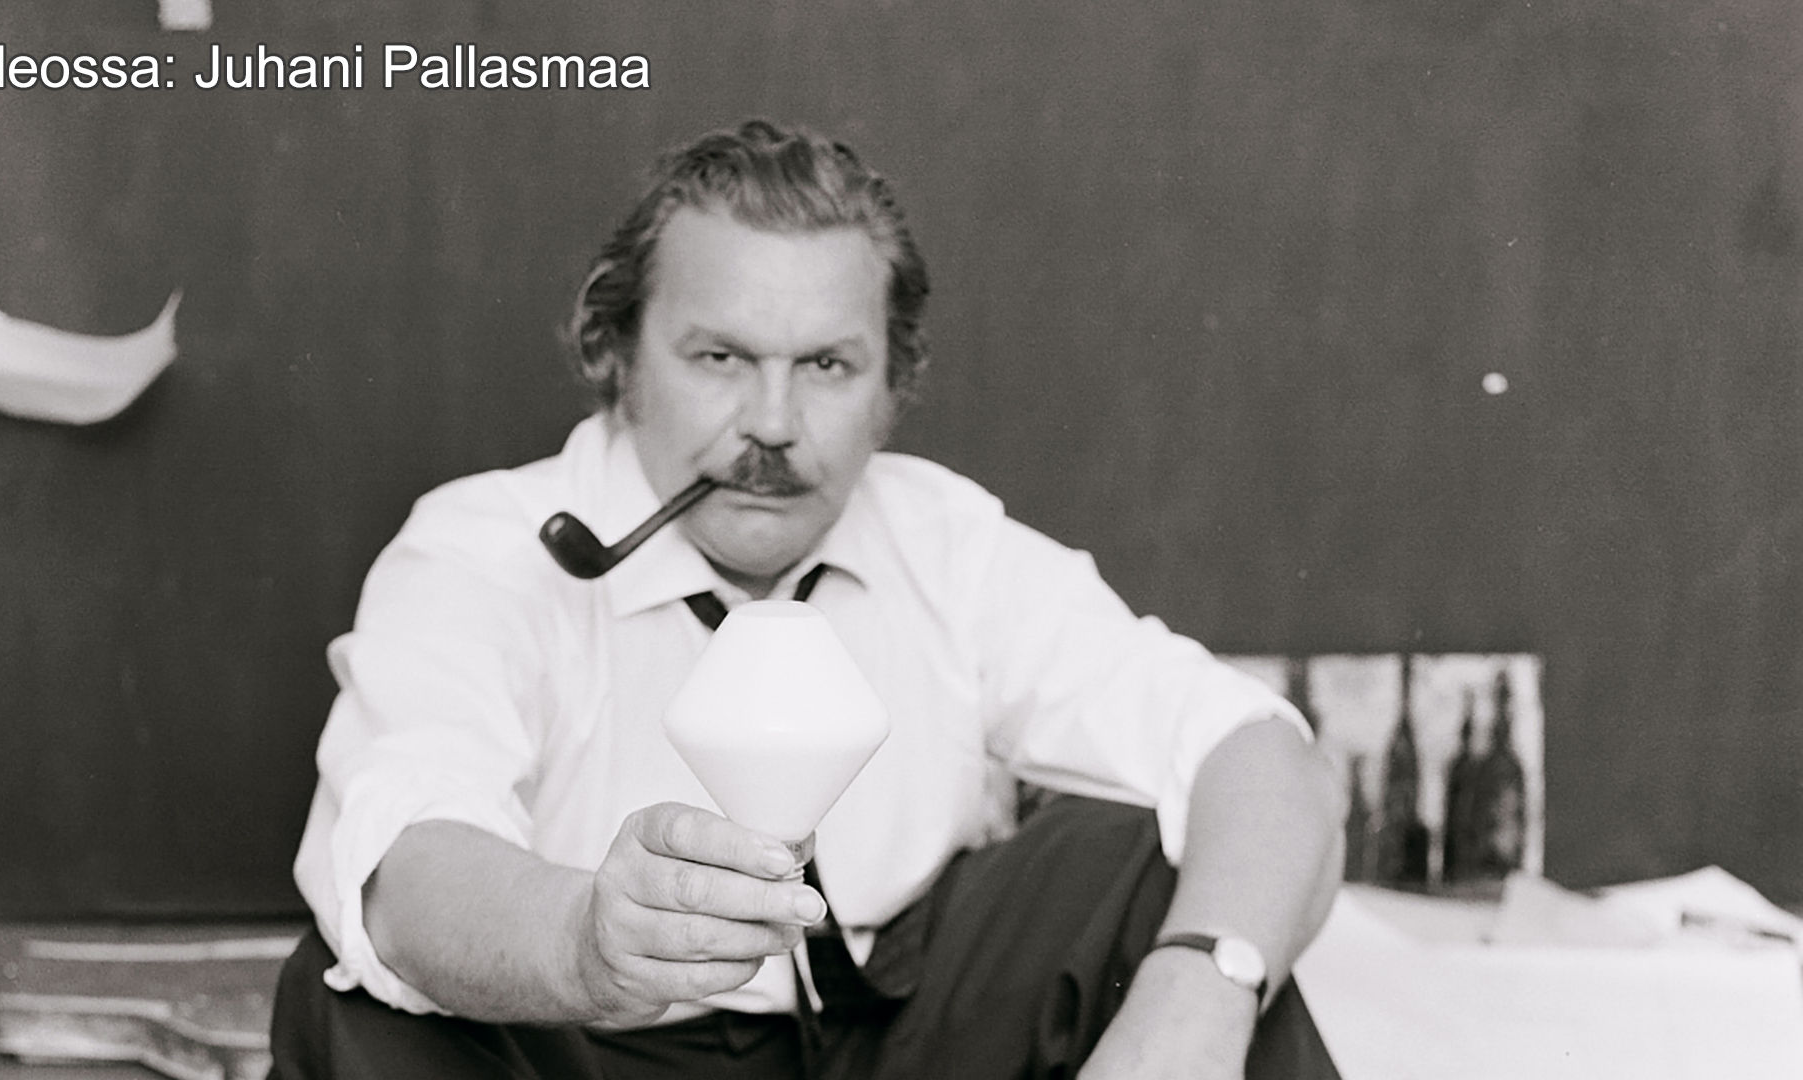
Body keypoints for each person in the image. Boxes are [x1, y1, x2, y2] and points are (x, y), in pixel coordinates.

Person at [269, 119, 1344, 1080]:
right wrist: (585, 940)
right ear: (617, 356)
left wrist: (1200, 998)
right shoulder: (482, 548)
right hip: (596, 1035)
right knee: (358, 992)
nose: (774, 426)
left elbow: (1252, 751)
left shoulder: (943, 539)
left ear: (892, 389)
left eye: (827, 365)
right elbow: (406, 859)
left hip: (899, 1031)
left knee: (1176, 887)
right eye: (720, 357)